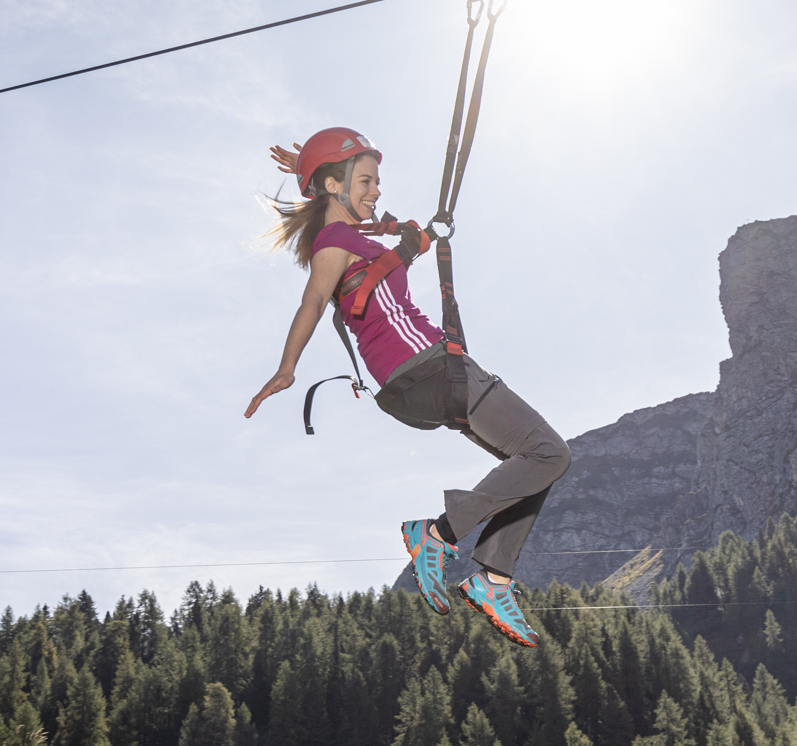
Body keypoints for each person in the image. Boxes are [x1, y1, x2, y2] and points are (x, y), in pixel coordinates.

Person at [244, 129, 570, 647]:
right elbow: (311, 302)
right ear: (334, 185)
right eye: (366, 181)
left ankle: (492, 578)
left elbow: (392, 240)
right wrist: (287, 369)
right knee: (550, 452)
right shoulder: (335, 243)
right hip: (432, 368)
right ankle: (437, 537)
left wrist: (312, 174)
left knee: (533, 462)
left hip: (415, 383)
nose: (376, 191)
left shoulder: (359, 243)